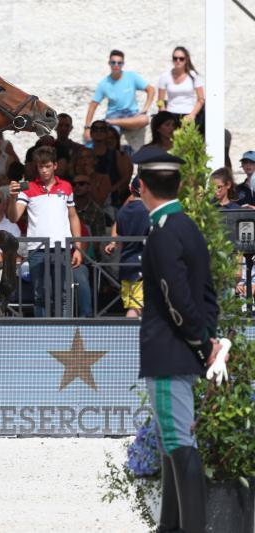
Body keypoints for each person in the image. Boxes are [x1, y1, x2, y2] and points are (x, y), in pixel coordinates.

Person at [136, 150, 225, 533]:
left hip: (171, 351)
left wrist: (202, 345)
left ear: (142, 186)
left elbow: (176, 298)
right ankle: (169, 526)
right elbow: (206, 293)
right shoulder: (187, 226)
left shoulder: (162, 231)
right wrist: (209, 338)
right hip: (186, 351)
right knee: (173, 442)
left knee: (179, 445)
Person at [8, 146, 82, 317]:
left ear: (55, 165)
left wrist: (77, 247)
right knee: (40, 295)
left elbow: (73, 217)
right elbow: (14, 217)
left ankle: (64, 333)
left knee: (63, 294)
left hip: (62, 247)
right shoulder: (27, 187)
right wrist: (12, 197)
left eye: (47, 166)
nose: (44, 170)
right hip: (37, 247)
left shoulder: (67, 186)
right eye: (40, 166)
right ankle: (43, 335)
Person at [83, 50, 155, 151]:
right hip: (114, 113)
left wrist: (145, 108)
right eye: (113, 62)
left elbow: (150, 89)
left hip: (131, 114)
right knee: (108, 136)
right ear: (109, 63)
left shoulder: (131, 76)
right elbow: (93, 105)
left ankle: (113, 122)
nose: (116, 65)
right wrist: (87, 127)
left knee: (145, 119)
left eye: (119, 63)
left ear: (123, 64)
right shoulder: (104, 83)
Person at [105, 176, 149, 317]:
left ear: (131, 190)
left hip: (126, 264)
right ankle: (132, 338)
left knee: (132, 305)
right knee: (135, 309)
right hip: (142, 265)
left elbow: (118, 232)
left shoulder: (122, 211)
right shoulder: (148, 211)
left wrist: (113, 243)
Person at [157, 46, 205, 125]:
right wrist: (164, 115)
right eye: (175, 58)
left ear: (186, 60)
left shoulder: (194, 76)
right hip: (170, 115)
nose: (178, 61)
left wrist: (192, 114)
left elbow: (201, 99)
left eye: (181, 58)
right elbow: (160, 101)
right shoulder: (165, 76)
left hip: (189, 114)